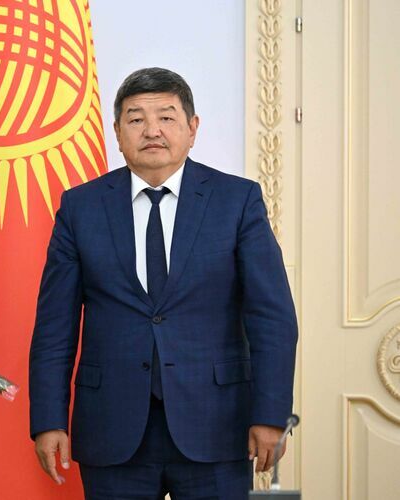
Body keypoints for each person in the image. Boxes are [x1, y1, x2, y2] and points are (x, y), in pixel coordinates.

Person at [29, 67, 298, 499]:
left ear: (192, 128)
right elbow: (54, 327)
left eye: (167, 117)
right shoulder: (81, 207)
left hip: (216, 424)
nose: (152, 130)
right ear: (117, 133)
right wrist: (48, 419)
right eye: (136, 118)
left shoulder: (236, 200)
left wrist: (270, 414)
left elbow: (272, 317)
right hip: (113, 426)